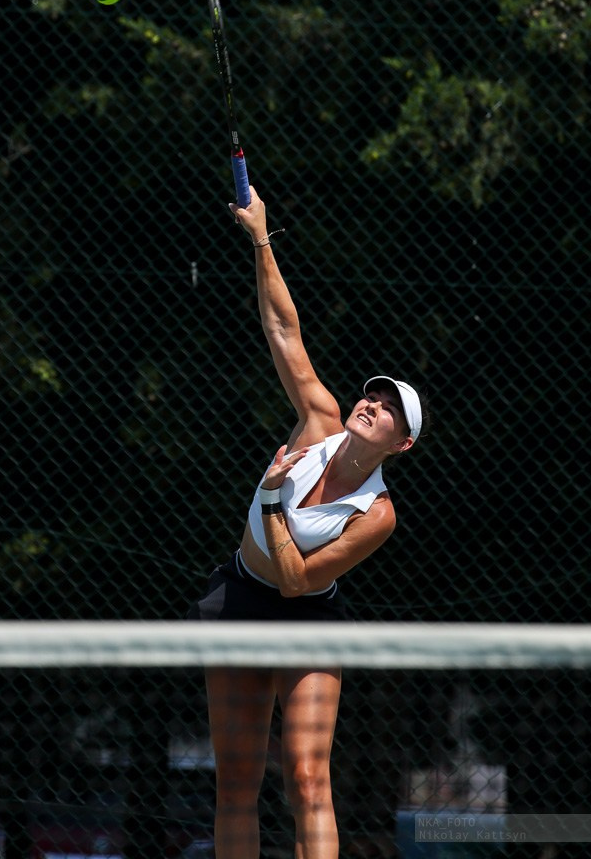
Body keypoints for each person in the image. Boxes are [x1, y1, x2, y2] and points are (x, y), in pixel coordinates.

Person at [187, 185, 429, 859]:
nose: (371, 403)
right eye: (372, 394)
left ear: (399, 444)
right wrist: (261, 236)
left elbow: (296, 583)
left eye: (388, 410)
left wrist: (270, 501)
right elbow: (284, 330)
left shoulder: (376, 515)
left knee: (304, 778)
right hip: (237, 597)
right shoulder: (319, 419)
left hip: (305, 614)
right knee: (235, 784)